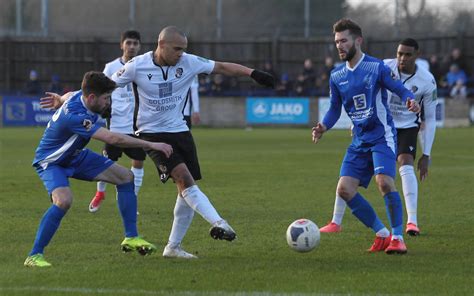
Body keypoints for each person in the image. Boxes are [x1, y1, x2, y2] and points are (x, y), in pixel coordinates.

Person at [111, 26, 274, 259]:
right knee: (184, 179)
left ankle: (173, 247)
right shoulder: (137, 65)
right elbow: (104, 85)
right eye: (177, 49)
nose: (181, 53)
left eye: (184, 49)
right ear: (161, 45)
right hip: (151, 134)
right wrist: (70, 98)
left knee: (184, 191)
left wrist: (254, 73)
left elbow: (222, 67)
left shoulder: (189, 62)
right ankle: (220, 222)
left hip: (181, 131)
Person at [24, 71, 173, 267]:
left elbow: (70, 96)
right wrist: (151, 145)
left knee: (126, 177)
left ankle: (131, 238)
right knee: (64, 201)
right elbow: (113, 138)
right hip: (52, 161)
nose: (108, 103)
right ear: (92, 97)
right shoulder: (75, 117)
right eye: (106, 98)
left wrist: (60, 99)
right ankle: (34, 255)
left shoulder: (81, 95)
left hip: (75, 156)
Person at [311, 19, 420, 255]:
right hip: (359, 139)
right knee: (344, 190)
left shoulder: (376, 67)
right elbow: (334, 109)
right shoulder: (337, 74)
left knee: (384, 182)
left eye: (343, 41)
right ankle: (382, 234)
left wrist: (409, 100)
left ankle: (398, 237)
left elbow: (398, 88)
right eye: (336, 42)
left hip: (382, 136)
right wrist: (323, 126)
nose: (339, 46)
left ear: (358, 41)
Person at [320, 38, 437, 237]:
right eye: (399, 53)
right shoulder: (382, 66)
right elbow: (365, 93)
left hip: (407, 126)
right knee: (347, 173)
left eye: (407, 54)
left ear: (417, 56)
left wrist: (426, 153)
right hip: (378, 123)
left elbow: (431, 118)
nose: (402, 58)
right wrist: (355, 122)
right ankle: (336, 221)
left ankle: (411, 222)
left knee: (405, 165)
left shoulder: (427, 80)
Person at [89, 30, 147, 213]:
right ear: (121, 45)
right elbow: (101, 91)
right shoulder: (111, 67)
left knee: (138, 161)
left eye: (135, 43)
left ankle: (133, 199)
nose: (131, 46)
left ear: (139, 46)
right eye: (128, 43)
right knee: (107, 162)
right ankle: (100, 193)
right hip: (115, 124)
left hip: (136, 123)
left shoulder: (144, 66)